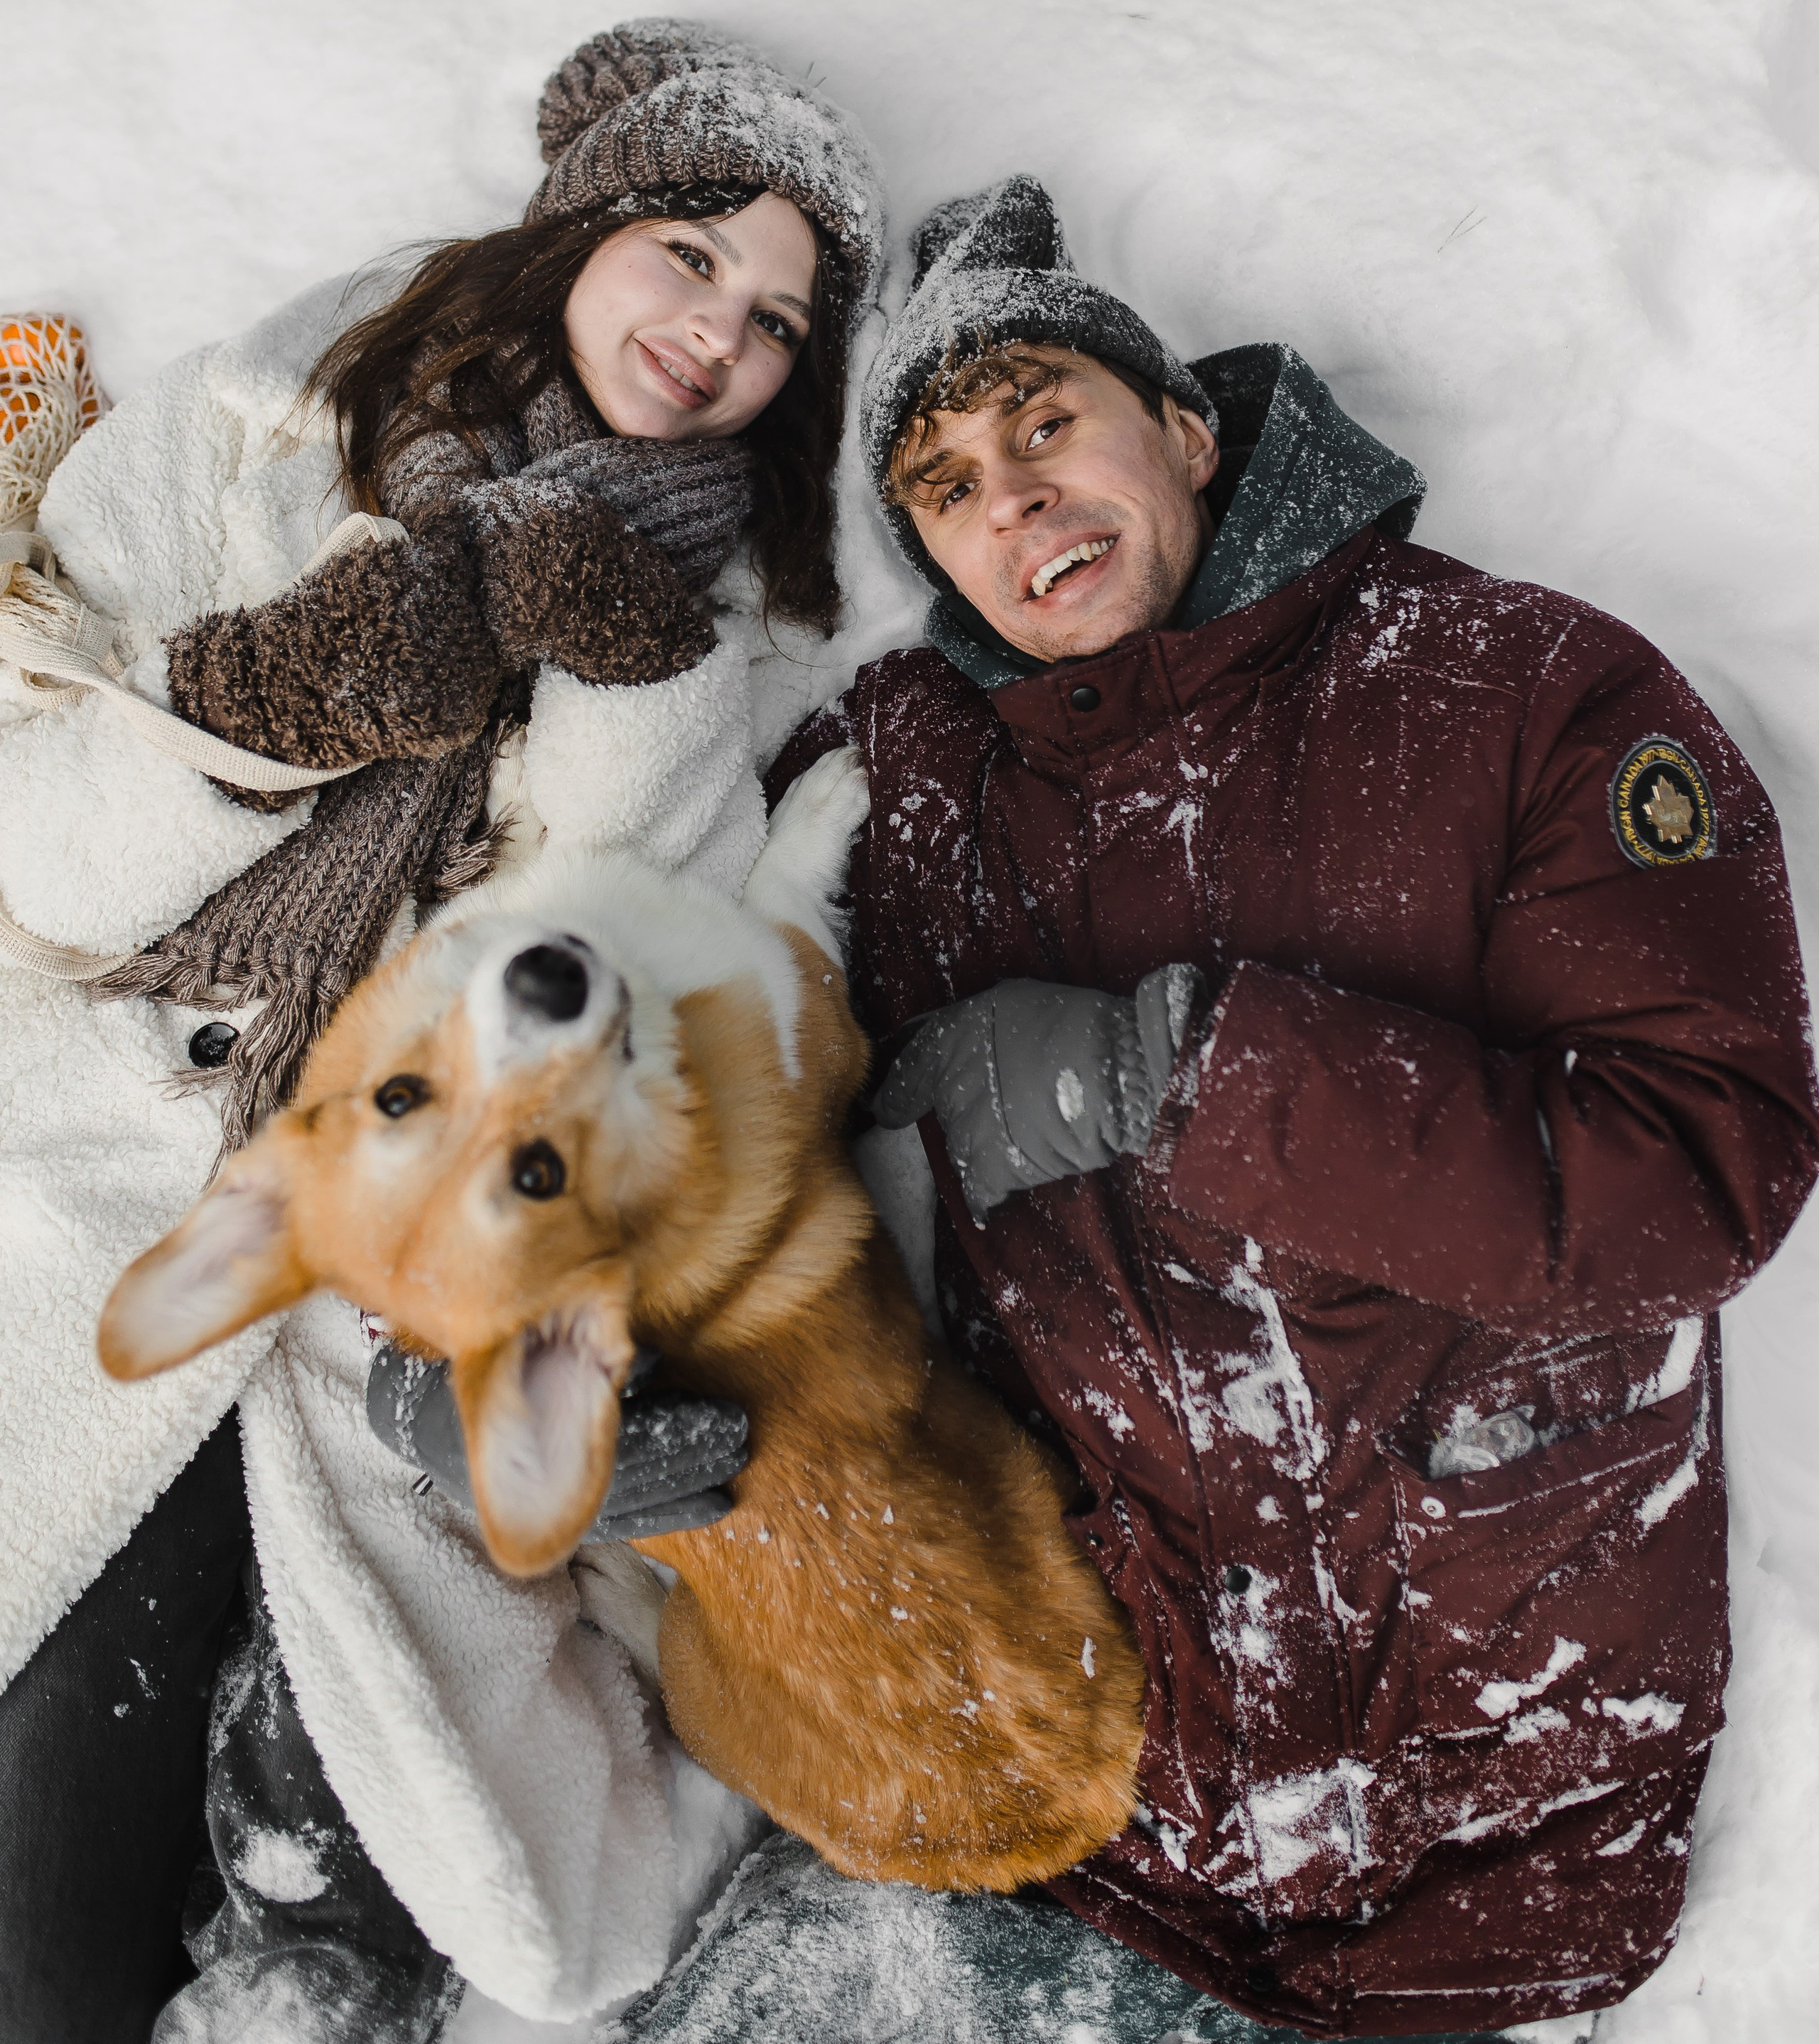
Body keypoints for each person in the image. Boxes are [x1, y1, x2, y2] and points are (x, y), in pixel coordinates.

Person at [750, 173, 1819, 2040]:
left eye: (1042, 424)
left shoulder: (1527, 692)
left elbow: (1704, 1170)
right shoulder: (906, 785)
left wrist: (1175, 1073)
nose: (1007, 501)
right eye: (941, 487)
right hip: (1075, 1803)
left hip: (1500, 1837)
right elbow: (641, 1006)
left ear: (1183, 423)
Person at [0, 20, 881, 2044]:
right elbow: (32, 878)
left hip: (355, 1318)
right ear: (577, 225)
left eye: (772, 321)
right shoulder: (244, 441)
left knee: (335, 1905)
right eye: (688, 256)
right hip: (71, 1184)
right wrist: (256, 711)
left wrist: (635, 681)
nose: (716, 336)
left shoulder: (715, 619)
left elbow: (610, 990)